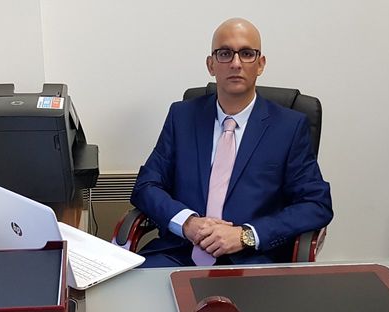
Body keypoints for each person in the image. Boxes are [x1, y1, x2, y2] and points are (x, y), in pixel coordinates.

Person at [130, 18, 333, 267]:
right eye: (225, 53)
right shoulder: (182, 117)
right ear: (211, 64)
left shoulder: (289, 127)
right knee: (129, 290)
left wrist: (246, 235)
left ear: (260, 64)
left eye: (246, 54)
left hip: (251, 261)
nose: (236, 63)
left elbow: (315, 204)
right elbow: (146, 186)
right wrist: (187, 222)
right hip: (178, 253)